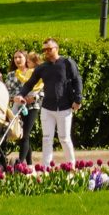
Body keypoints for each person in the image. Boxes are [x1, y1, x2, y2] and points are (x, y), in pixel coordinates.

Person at [32, 38, 83, 168]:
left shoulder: (67, 63)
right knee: (47, 138)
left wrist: (78, 99)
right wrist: (20, 95)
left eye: (49, 49)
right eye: (44, 50)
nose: (47, 52)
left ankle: (71, 165)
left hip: (65, 107)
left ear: (57, 48)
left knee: (64, 138)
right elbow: (30, 83)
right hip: (47, 108)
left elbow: (77, 80)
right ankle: (46, 166)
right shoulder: (42, 68)